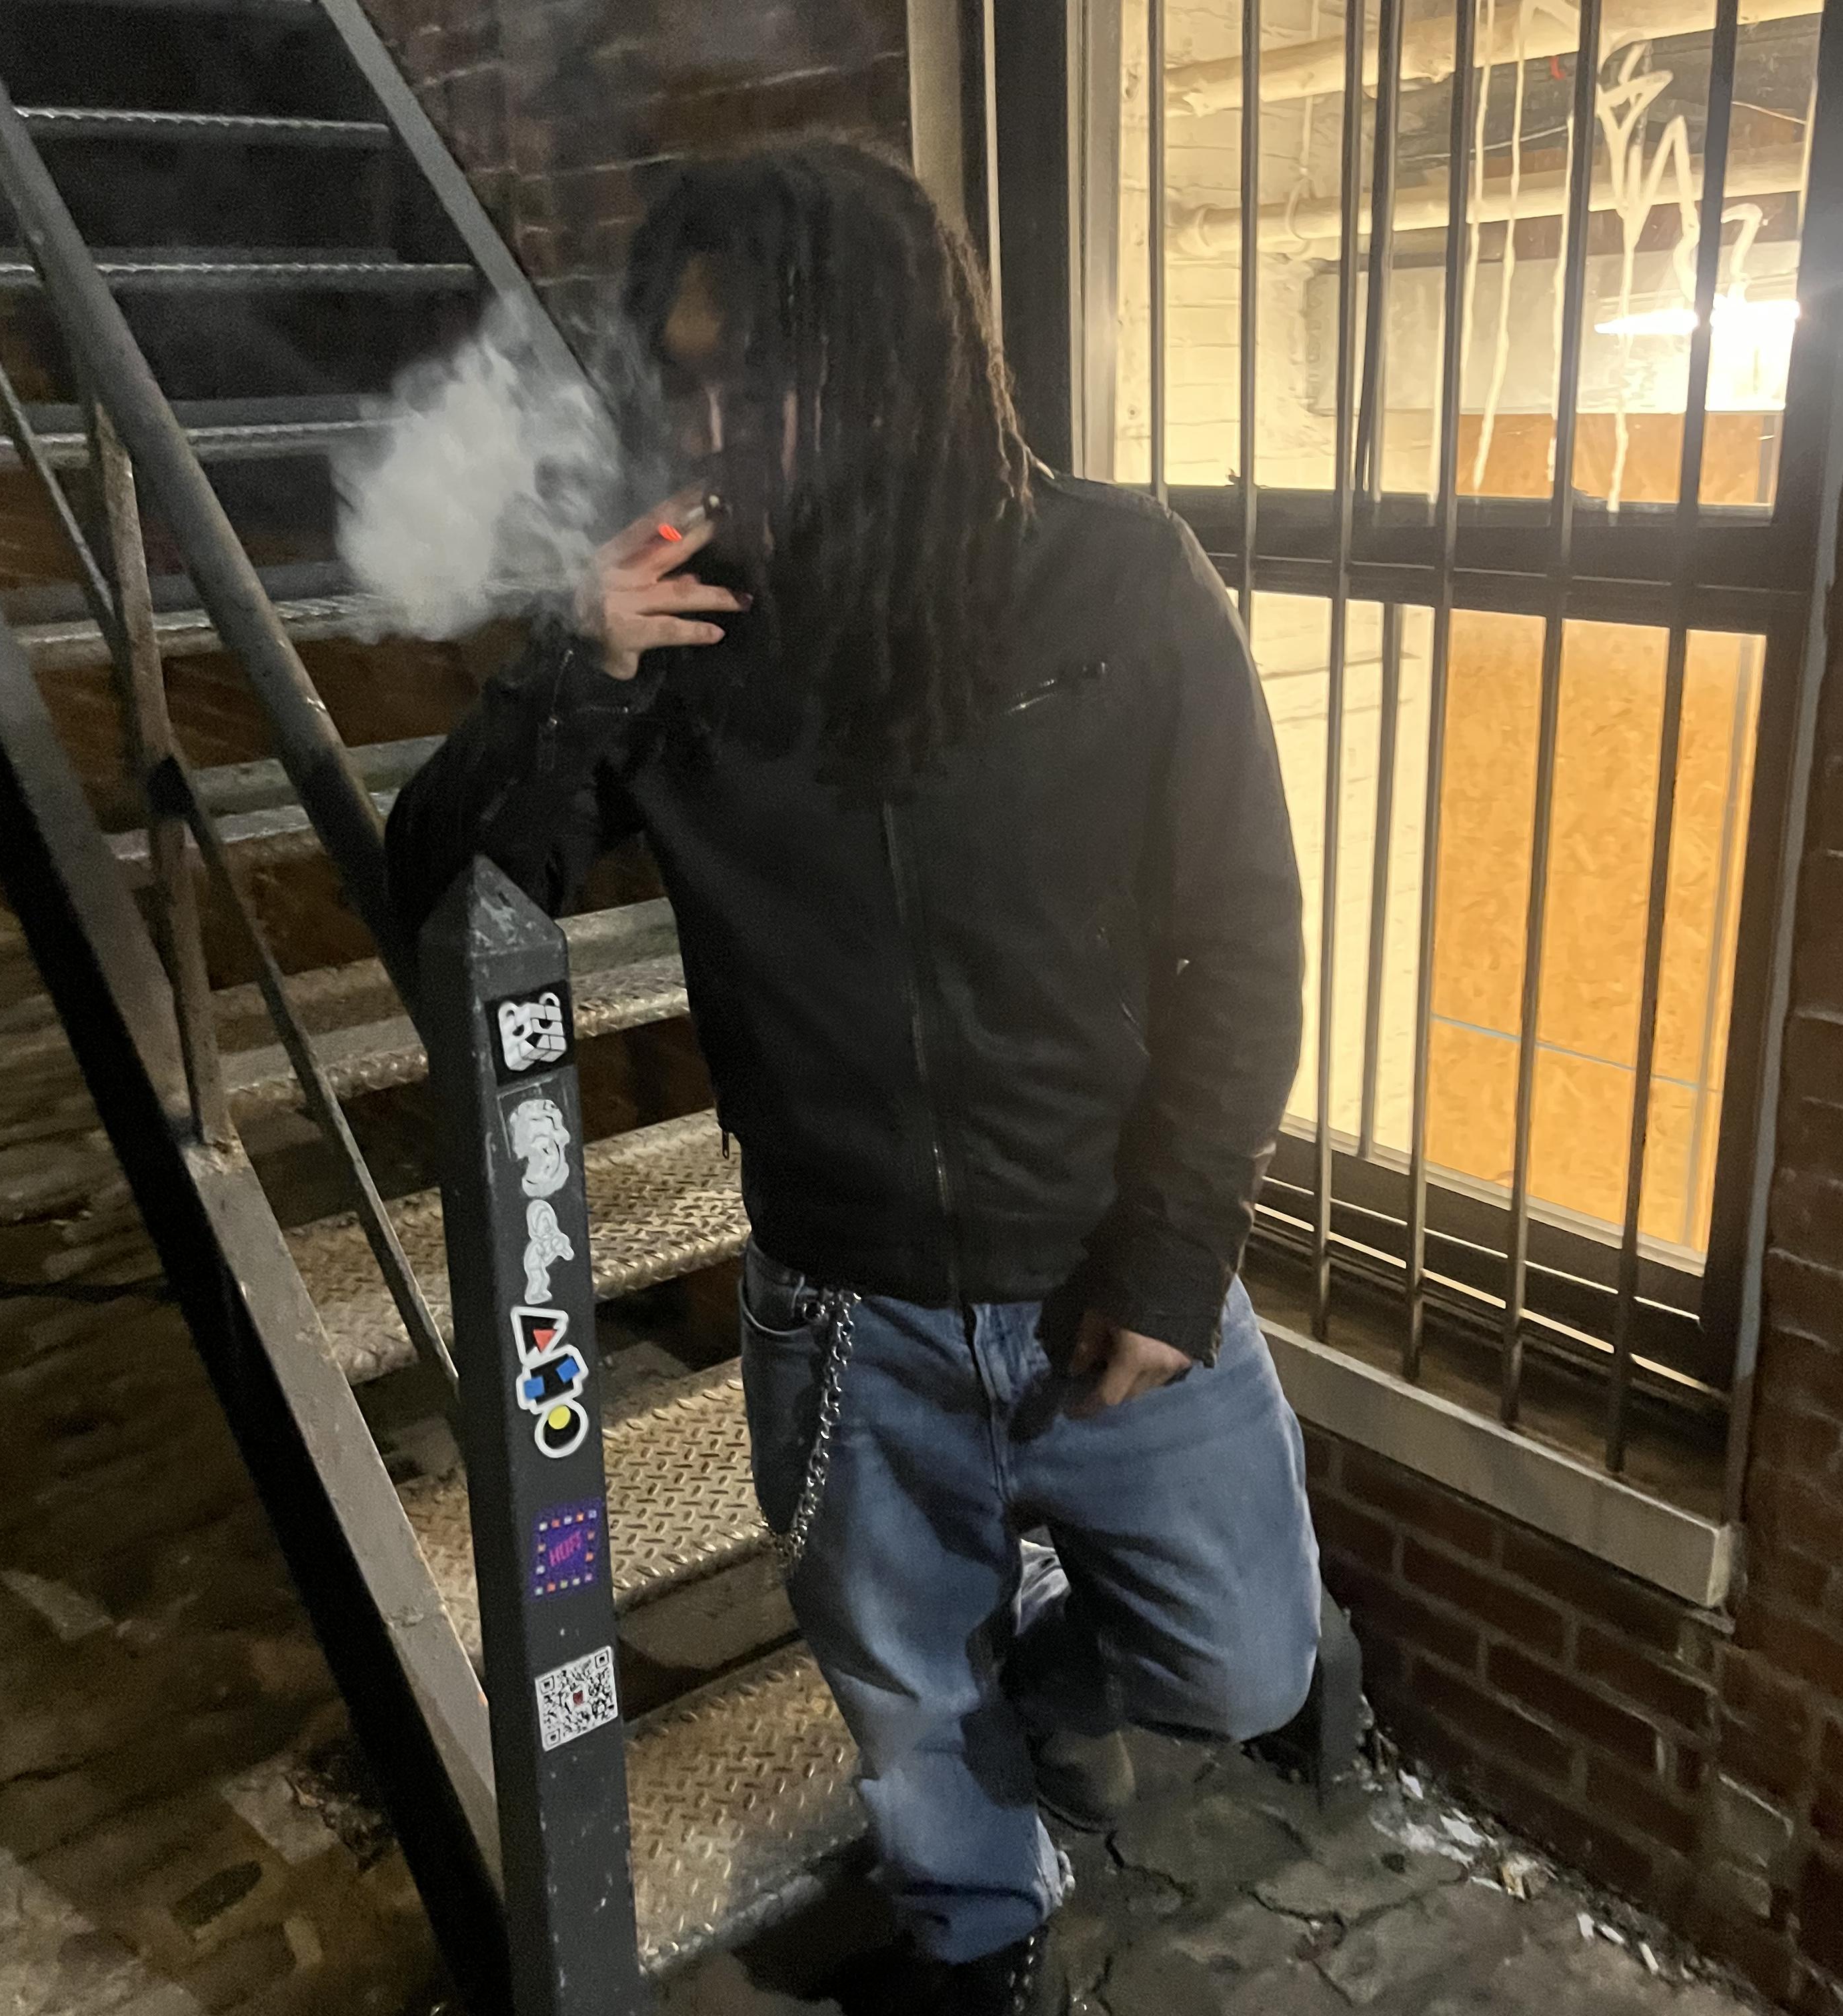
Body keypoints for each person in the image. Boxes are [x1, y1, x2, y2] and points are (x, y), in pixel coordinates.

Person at [385, 140, 1320, 2016]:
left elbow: (1243, 939)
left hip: (1109, 1272)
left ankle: (1041, 1699)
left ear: (896, 356)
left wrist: (1173, 1249)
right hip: (845, 1304)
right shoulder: (679, 631)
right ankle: (977, 1944)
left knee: (1246, 1663)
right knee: (901, 1699)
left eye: (768, 370)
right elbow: (443, 895)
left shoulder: (1118, 579)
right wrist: (570, 672)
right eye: (692, 377)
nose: (725, 425)